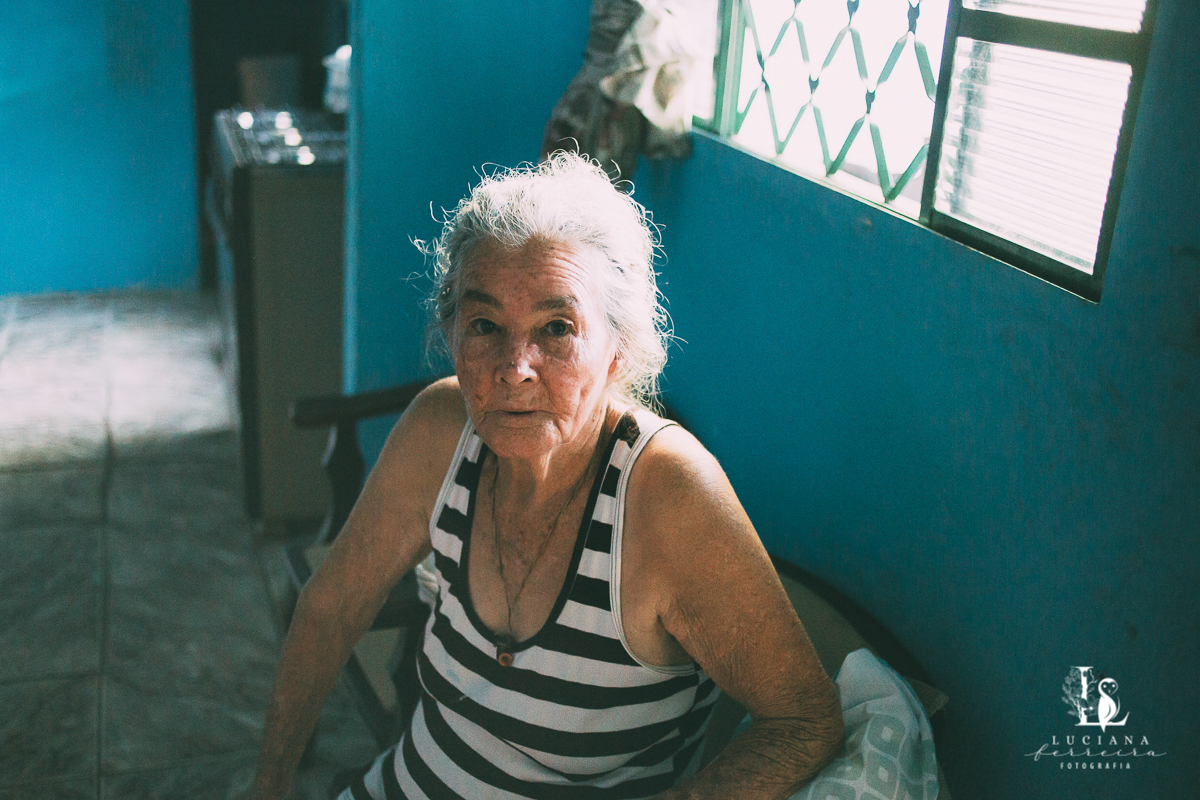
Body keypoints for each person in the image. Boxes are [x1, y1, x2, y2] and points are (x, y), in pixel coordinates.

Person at [250, 152, 843, 800]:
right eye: (484, 326)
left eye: (556, 329)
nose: (514, 367)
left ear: (618, 350)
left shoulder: (666, 495)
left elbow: (804, 720)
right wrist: (270, 784)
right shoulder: (442, 431)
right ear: (451, 333)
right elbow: (331, 606)